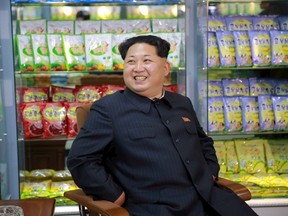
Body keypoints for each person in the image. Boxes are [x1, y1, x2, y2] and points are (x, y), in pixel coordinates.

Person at [67, 35, 258, 216]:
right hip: (156, 208)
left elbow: (203, 143)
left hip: (210, 199)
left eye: (146, 61)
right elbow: (81, 159)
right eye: (131, 62)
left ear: (165, 68)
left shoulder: (182, 103)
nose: (137, 68)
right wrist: (114, 195)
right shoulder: (108, 109)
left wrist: (210, 173)